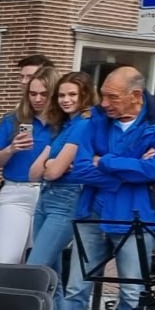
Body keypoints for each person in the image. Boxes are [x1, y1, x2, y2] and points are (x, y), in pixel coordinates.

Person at [52, 66, 155, 310]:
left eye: (112, 97)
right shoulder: (95, 119)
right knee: (75, 288)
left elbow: (154, 170)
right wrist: (129, 171)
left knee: (133, 293)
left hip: (136, 216)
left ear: (135, 95)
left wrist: (106, 161)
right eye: (103, 96)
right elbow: (80, 170)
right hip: (94, 212)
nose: (105, 103)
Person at [0, 66, 57, 310]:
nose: (37, 98)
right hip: (15, 191)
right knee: (7, 258)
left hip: (48, 192)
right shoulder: (13, 120)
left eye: (43, 93)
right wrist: (11, 149)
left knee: (40, 262)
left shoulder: (63, 123)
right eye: (32, 93)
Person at [24, 72, 96, 284]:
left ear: (85, 95)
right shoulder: (63, 125)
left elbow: (54, 172)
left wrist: (52, 165)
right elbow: (33, 173)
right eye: (61, 95)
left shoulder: (84, 123)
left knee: (35, 269)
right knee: (50, 273)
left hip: (66, 200)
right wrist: (51, 164)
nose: (66, 100)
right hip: (45, 196)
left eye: (72, 94)